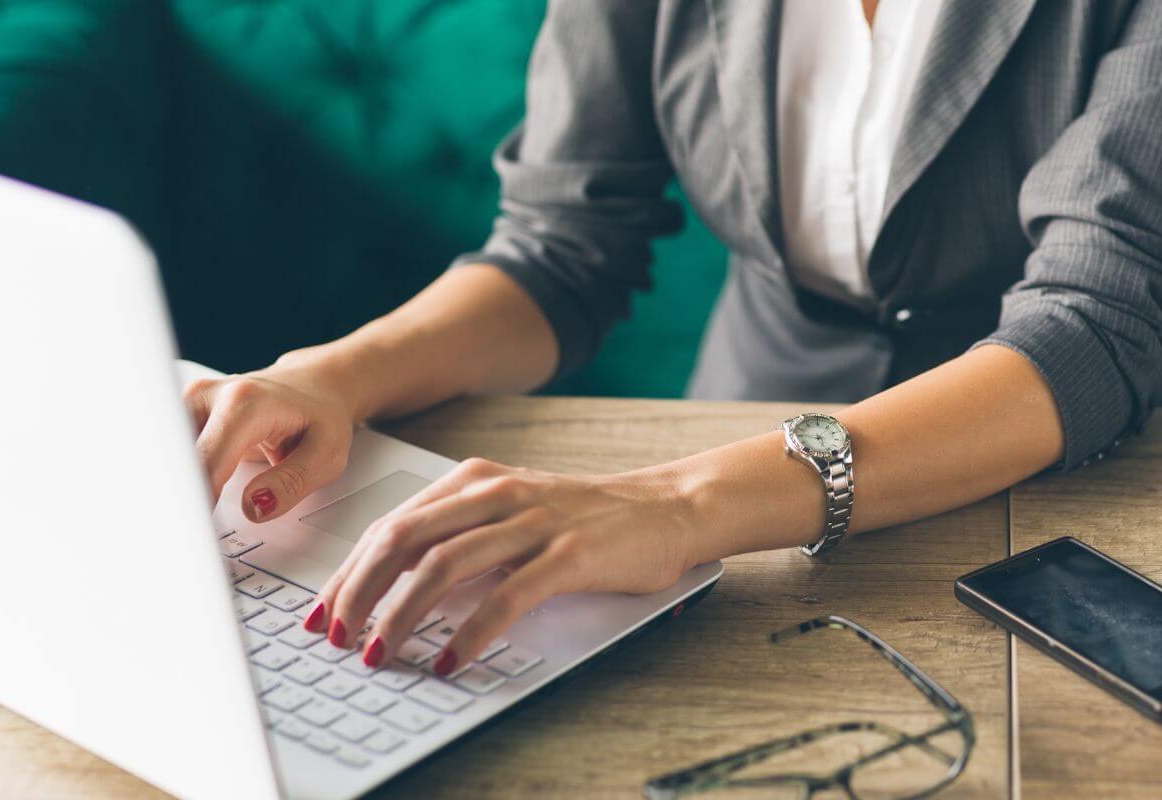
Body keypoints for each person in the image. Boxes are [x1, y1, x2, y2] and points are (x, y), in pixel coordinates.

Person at [183, 0, 1162, 678]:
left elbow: (1093, 322)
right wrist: (337, 373)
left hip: (1066, 494)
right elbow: (563, 246)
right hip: (746, 457)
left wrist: (676, 501)